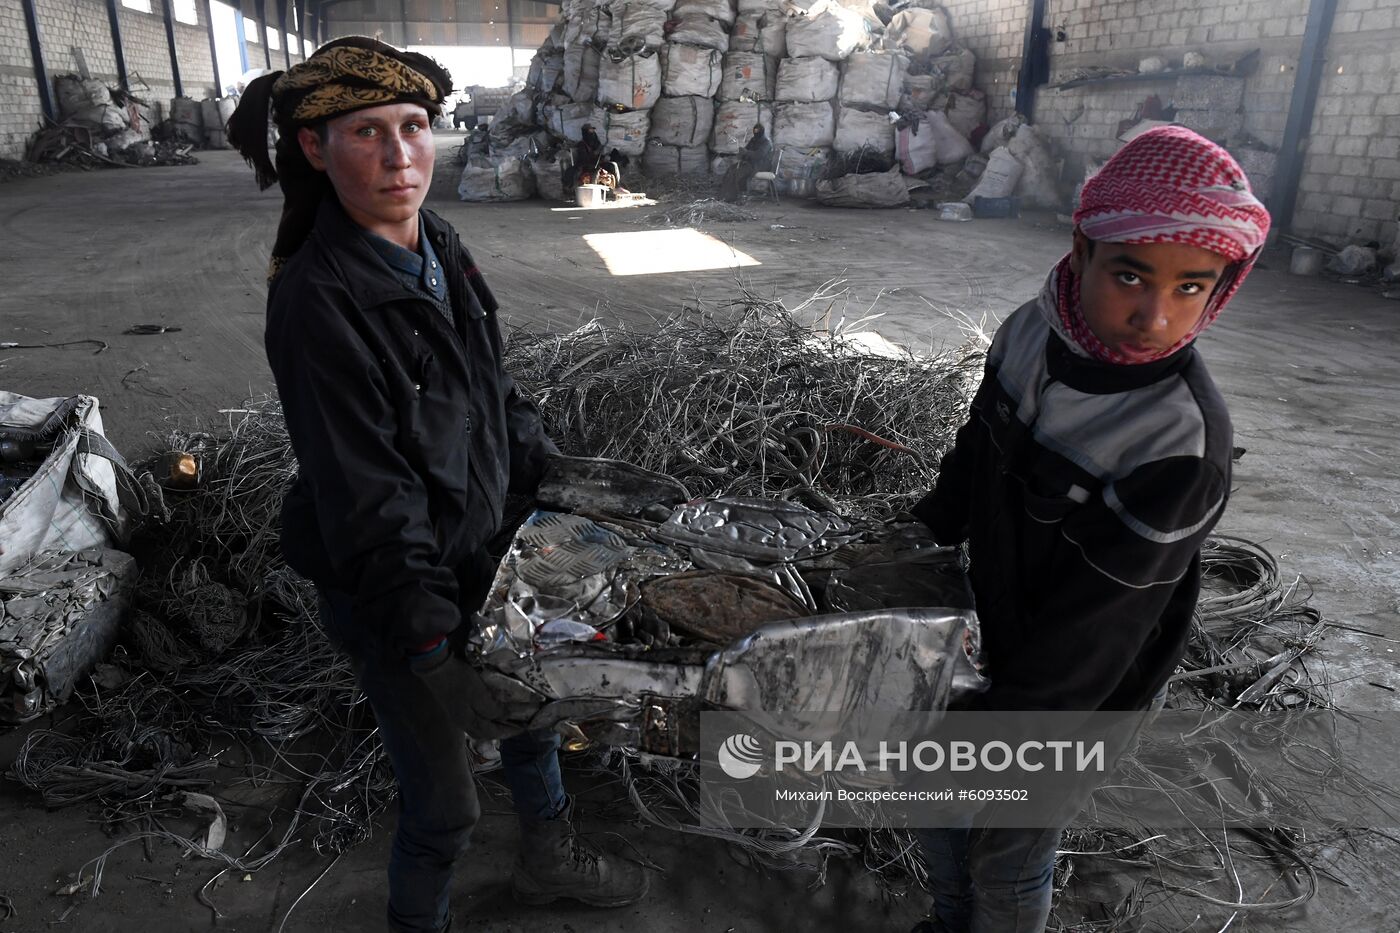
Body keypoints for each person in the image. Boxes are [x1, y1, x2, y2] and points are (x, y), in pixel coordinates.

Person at [227, 36, 649, 933]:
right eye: (366, 132)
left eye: (414, 127)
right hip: (392, 583)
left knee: (530, 716)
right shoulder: (318, 300)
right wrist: (431, 650)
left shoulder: (439, 243)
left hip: (482, 545)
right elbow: (366, 495)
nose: (399, 155)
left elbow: (491, 384)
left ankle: (546, 861)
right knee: (445, 803)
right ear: (314, 147)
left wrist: (548, 477)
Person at [907, 126, 1271, 933]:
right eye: (1131, 274)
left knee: (1010, 842)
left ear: (1223, 286)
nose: (1154, 314)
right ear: (1082, 248)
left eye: (1191, 288)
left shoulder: (1177, 443)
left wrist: (1000, 729)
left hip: (1078, 690)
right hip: (989, 621)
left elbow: (1093, 636)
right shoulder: (1028, 332)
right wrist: (920, 534)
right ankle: (948, 918)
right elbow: (979, 448)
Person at [719, 123, 774, 202]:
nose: (756, 133)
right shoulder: (753, 140)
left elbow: (759, 155)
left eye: (758, 132)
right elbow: (747, 150)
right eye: (754, 131)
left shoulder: (766, 143)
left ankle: (739, 196)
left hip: (760, 165)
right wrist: (741, 153)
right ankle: (725, 194)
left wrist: (746, 152)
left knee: (738, 172)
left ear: (762, 132)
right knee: (731, 169)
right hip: (750, 163)